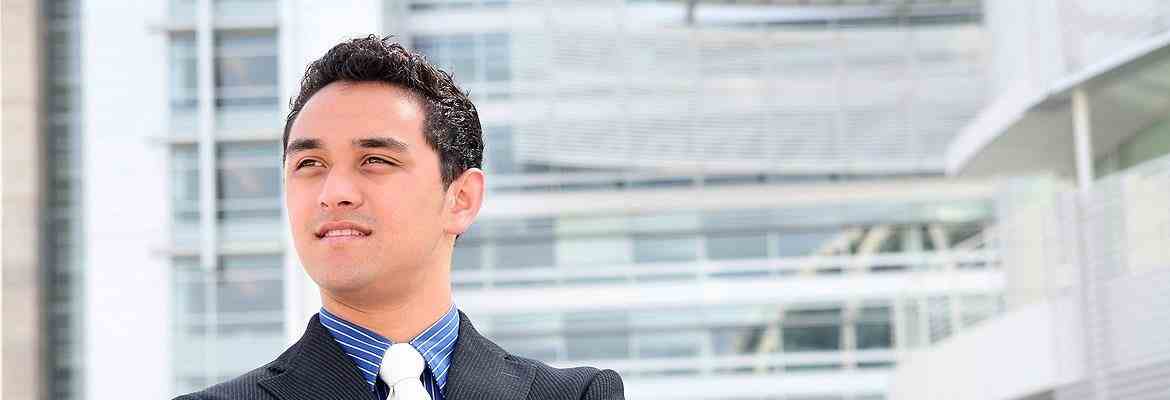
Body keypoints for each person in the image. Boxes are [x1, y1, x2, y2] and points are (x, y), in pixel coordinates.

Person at [175, 35, 625, 400]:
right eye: (309, 164)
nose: (334, 194)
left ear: (461, 199)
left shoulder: (575, 395)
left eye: (375, 160)